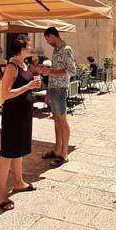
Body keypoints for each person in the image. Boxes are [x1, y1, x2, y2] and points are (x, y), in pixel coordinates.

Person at [0, 35, 41, 211]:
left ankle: (19, 182)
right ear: (21, 49)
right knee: (8, 154)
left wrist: (33, 84)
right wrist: (28, 86)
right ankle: (1, 195)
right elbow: (6, 93)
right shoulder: (11, 67)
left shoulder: (25, 65)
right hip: (13, 115)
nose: (31, 48)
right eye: (28, 46)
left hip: (23, 114)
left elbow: (25, 85)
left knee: (18, 150)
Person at [40, 27, 76, 166]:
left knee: (62, 120)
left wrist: (51, 72)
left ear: (52, 36)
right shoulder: (56, 50)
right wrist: (48, 91)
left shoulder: (67, 49)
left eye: (47, 39)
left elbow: (71, 71)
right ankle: (57, 150)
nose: (47, 42)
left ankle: (64, 154)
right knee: (56, 120)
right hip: (54, 89)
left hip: (60, 89)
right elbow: (54, 71)